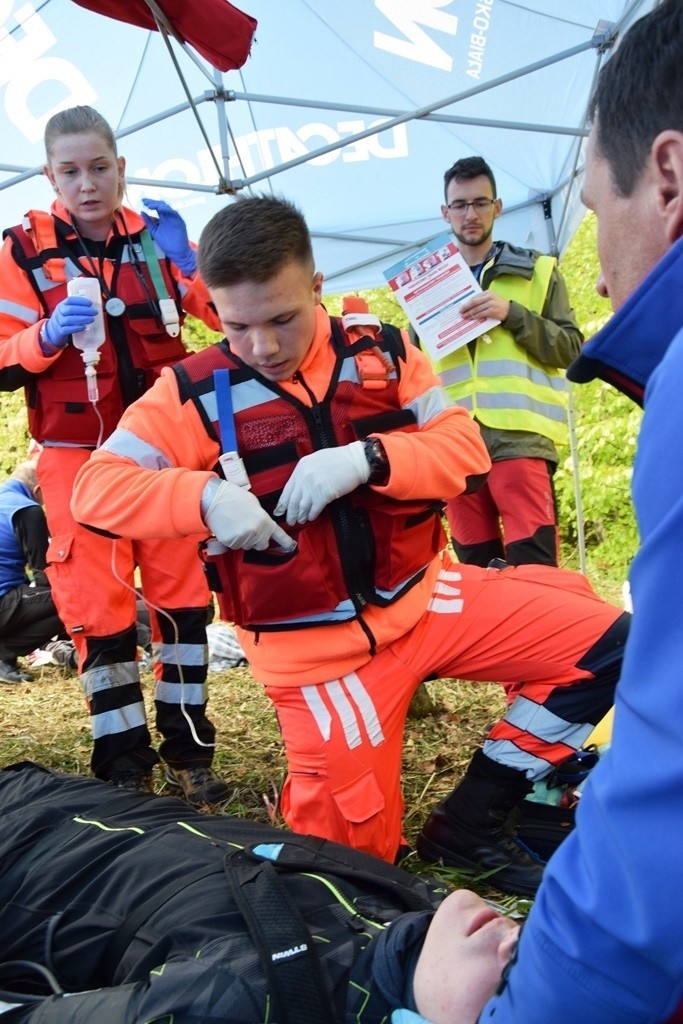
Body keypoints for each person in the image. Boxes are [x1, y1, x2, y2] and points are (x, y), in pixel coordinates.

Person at [71, 193, 629, 897]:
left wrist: (368, 458)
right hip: (318, 656)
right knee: (358, 877)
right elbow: (94, 489)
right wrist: (202, 498)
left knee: (608, 643)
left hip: (427, 598)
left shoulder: (385, 353)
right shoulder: (188, 392)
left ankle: (473, 821)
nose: (262, 347)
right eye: (236, 325)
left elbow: (462, 448)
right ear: (212, 307)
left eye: (281, 319)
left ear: (316, 288)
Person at [476, 2, 683, 1021]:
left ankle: (504, 802)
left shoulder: (528, 276)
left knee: (593, 638)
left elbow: (672, 777)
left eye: (600, 213)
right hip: (442, 520)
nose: (603, 272)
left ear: (668, 179)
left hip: (509, 478)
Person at [0, 105, 232, 807]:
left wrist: (196, 267)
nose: (88, 183)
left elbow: (233, 324)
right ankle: (124, 767)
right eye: (70, 171)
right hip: (73, 452)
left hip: (161, 450)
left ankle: (190, 752)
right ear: (50, 177)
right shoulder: (21, 249)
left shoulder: (158, 239)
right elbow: (4, 359)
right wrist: (47, 334)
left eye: (99, 167)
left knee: (183, 600)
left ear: (120, 168)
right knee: (97, 611)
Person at [0, 761, 520, 1024]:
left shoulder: (242, 998)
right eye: (549, 951)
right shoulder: (422, 914)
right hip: (52, 790)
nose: (520, 946)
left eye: (516, 993)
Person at [425, 155, 583, 567]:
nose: (470, 214)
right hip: (456, 447)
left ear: (498, 207)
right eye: (459, 205)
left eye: (480, 203)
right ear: (445, 213)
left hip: (520, 441)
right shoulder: (424, 285)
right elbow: (416, 369)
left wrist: (511, 314)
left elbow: (571, 349)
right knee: (476, 575)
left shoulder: (539, 270)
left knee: (535, 573)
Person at [0, 460, 65, 683]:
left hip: (8, 596)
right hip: (3, 601)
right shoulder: (27, 510)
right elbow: (43, 571)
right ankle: (4, 654)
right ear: (38, 490)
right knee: (76, 602)